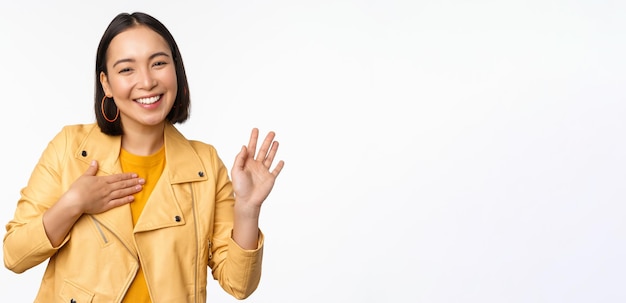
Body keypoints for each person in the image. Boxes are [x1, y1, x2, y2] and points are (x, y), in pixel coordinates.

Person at [3, 11, 284, 302]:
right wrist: (74, 203)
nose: (147, 81)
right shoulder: (69, 149)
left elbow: (239, 284)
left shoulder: (205, 163)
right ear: (107, 84)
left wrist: (248, 208)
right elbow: (14, 255)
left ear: (176, 70)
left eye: (159, 63)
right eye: (127, 69)